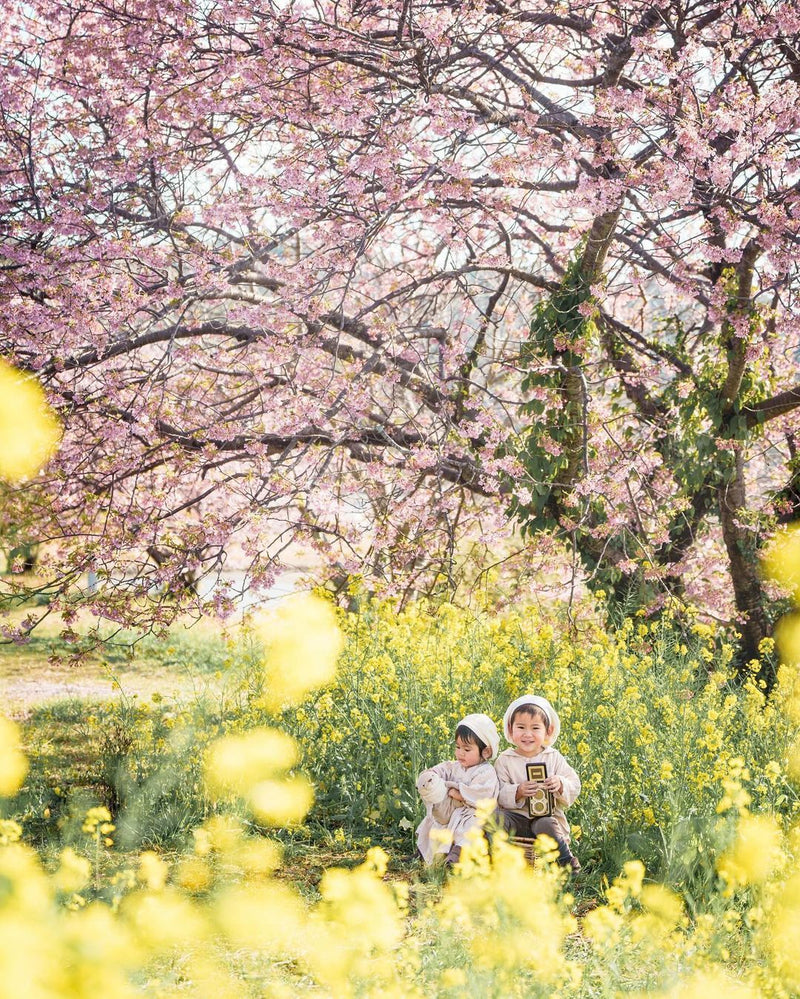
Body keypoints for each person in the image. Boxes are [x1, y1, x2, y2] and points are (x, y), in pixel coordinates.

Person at [495, 694, 581, 873]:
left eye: (535, 728)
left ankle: (566, 861)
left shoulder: (553, 757)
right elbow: (498, 792)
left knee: (546, 824)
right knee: (493, 820)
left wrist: (560, 784)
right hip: (515, 818)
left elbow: (574, 785)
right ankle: (490, 859)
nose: (527, 734)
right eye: (521, 727)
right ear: (510, 730)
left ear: (548, 731)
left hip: (542, 818)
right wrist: (517, 791)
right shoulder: (505, 760)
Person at [415, 712, 500, 865]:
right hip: (453, 812)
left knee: (468, 829)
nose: (460, 753)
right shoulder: (455, 766)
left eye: (467, 750)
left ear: (486, 752)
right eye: (457, 747)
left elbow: (483, 795)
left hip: (472, 813)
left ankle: (456, 858)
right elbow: (442, 769)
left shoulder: (486, 771)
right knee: (433, 821)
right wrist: (431, 775)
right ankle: (421, 854)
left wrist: (460, 795)